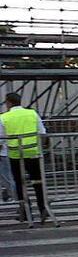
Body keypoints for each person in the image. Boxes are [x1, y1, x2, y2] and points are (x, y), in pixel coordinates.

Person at [0, 93, 49, 222]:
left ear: (8, 103)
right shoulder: (32, 114)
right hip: (33, 152)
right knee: (37, 181)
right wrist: (40, 149)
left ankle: (25, 211)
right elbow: (42, 133)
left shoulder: (4, 117)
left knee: (19, 183)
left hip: (15, 154)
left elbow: (1, 139)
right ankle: (42, 207)